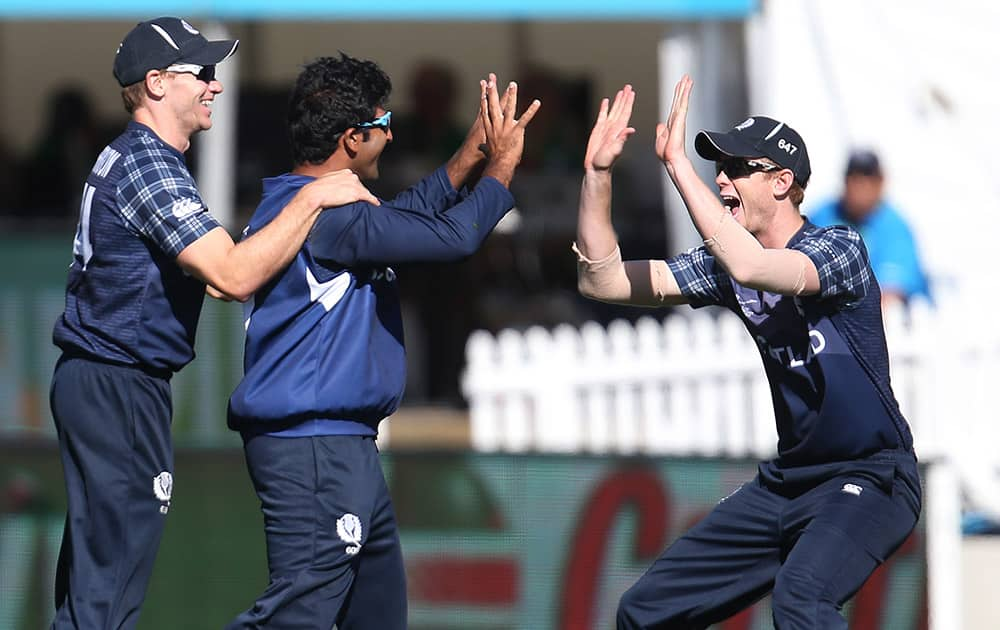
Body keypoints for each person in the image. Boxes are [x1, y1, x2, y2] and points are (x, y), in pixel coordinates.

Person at [48, 18, 377, 630]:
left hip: (109, 384)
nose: (215, 86)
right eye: (201, 73)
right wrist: (313, 197)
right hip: (117, 385)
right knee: (107, 594)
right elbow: (232, 276)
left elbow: (224, 272)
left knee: (94, 590)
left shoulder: (141, 159)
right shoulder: (149, 165)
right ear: (154, 83)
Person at [573, 78, 921, 629]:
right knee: (643, 611)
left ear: (783, 182)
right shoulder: (727, 264)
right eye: (716, 167)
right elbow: (605, 282)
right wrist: (597, 176)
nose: (722, 179)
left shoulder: (839, 249)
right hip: (789, 482)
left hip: (870, 477)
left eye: (737, 169)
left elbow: (756, 268)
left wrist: (677, 165)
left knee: (802, 596)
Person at [224, 54, 539, 629]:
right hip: (315, 447)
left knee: (376, 613)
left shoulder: (302, 202)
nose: (392, 132)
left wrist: (471, 154)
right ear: (351, 139)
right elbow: (453, 236)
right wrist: (502, 168)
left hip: (341, 447)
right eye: (383, 120)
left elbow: (403, 218)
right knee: (295, 618)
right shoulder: (331, 217)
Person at [809, 149, 930, 307]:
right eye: (855, 180)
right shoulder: (823, 215)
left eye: (867, 181)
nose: (861, 189)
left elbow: (894, 285)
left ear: (880, 184)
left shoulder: (894, 225)